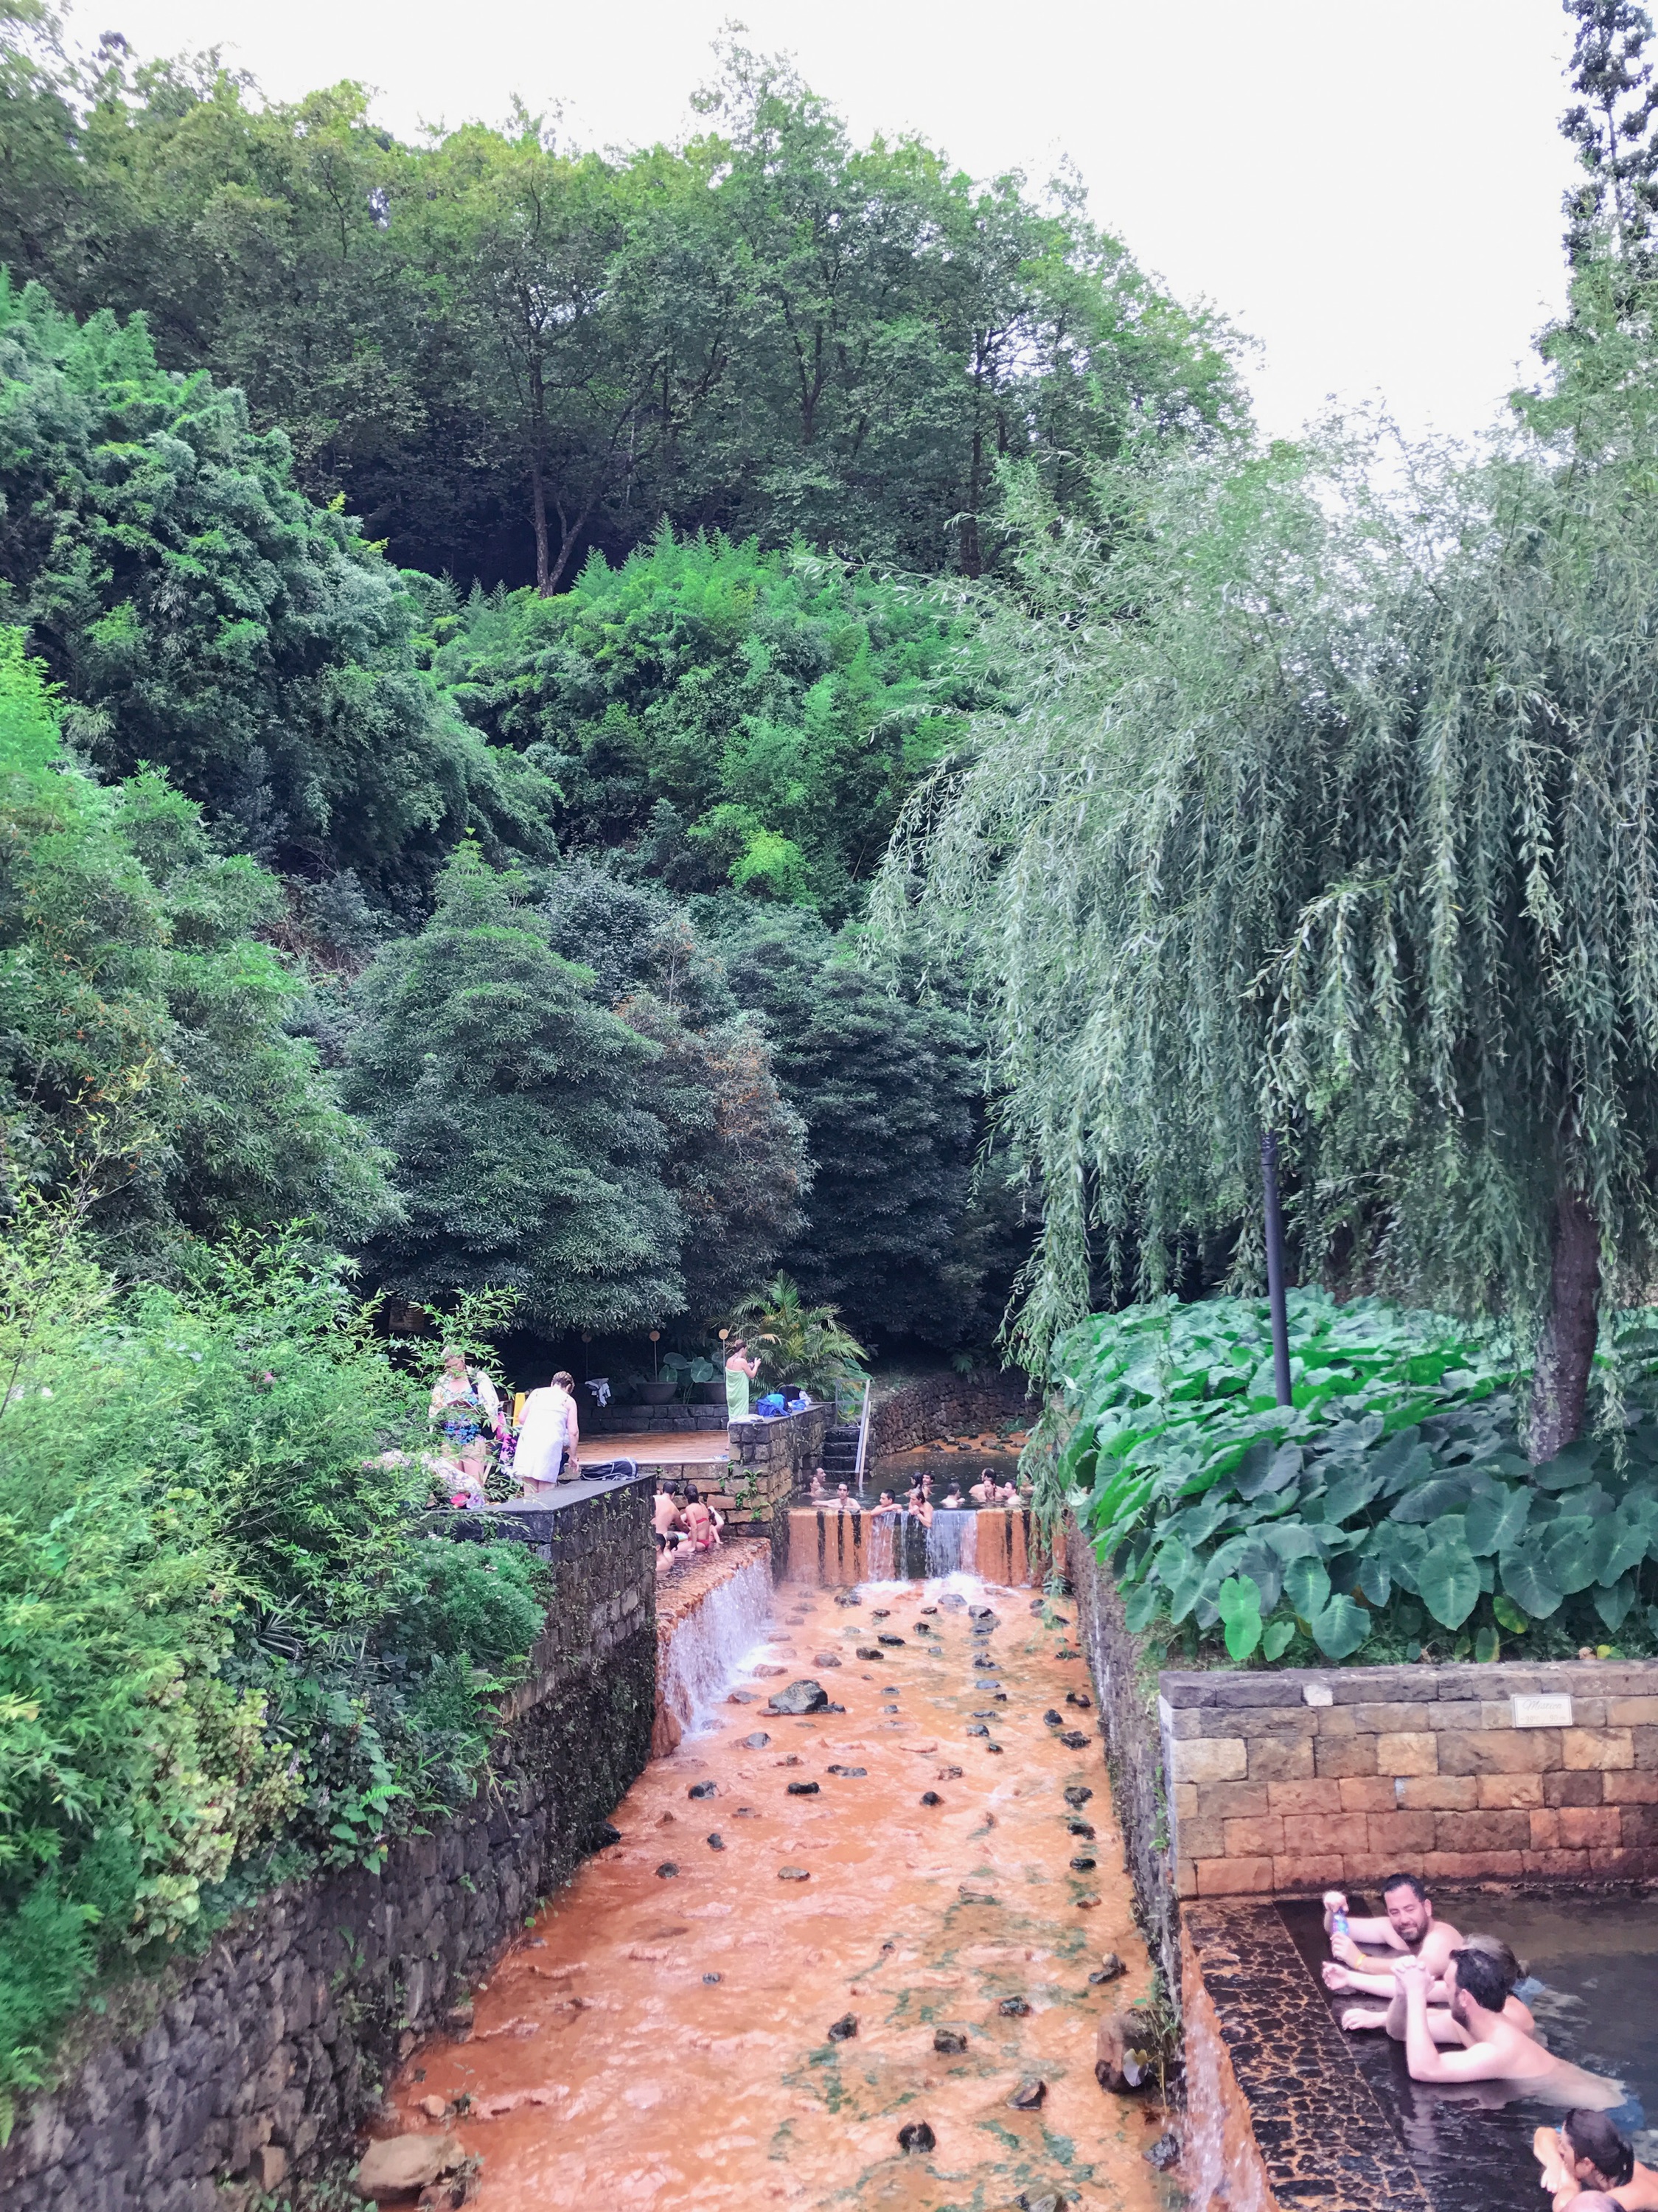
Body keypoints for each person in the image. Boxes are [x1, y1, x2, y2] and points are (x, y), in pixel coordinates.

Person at [1393, 1950, 1623, 2105]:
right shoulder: (1482, 2024)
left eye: (1448, 1986)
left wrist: (1417, 1994)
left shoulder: (1501, 2048)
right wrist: (1403, 1993)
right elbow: (1400, 2031)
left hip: (1610, 2109)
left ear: (1465, 1998)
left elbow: (1424, 2069)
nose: (1443, 1992)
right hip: (1602, 2097)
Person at [1337, 1933, 1535, 2039]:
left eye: (1462, 1960)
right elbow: (1428, 1991)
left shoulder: (1505, 2017)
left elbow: (1413, 2031)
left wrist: (1380, 2019)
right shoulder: (1485, 1995)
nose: (1453, 1963)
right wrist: (1350, 1978)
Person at [1322, 1875, 1462, 1986]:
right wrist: (1334, 1908)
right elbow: (1332, 1928)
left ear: (1427, 1908)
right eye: (1395, 1912)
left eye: (1410, 1909)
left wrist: (1360, 1961)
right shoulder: (1393, 1930)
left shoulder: (1442, 1936)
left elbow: (1421, 1969)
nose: (1404, 1919)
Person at [1536, 2110, 1658, 2210]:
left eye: (1564, 2148)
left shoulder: (1625, 2196)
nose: (1559, 2150)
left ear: (1586, 2163)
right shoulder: (1619, 2164)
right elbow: (1544, 2133)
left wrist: (1569, 2187)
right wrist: (1555, 2164)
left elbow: (1566, 2208)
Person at [428, 1346, 503, 1497]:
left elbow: (491, 1405)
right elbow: (434, 1411)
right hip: (449, 1437)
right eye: (448, 1367)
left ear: (462, 1359)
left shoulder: (477, 1377)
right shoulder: (441, 1382)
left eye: (455, 1365)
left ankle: (476, 1512)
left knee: (475, 1485)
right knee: (454, 1485)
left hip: (473, 1436)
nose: (451, 1370)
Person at [515, 1370, 579, 1497]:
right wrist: (573, 1456)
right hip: (550, 1442)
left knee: (529, 1487)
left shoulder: (536, 1393)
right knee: (546, 1487)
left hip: (529, 1440)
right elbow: (574, 1432)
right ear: (568, 1387)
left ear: (552, 1383)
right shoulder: (568, 1400)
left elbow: (522, 1418)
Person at [725, 1338, 760, 1422]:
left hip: (731, 1395)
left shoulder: (729, 1360)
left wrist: (749, 1366)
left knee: (733, 1417)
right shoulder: (742, 1361)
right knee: (741, 1419)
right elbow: (752, 1375)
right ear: (742, 1349)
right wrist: (756, 1365)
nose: (746, 1352)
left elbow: (739, 1371)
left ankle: (731, 1433)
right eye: (746, 1349)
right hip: (740, 1395)